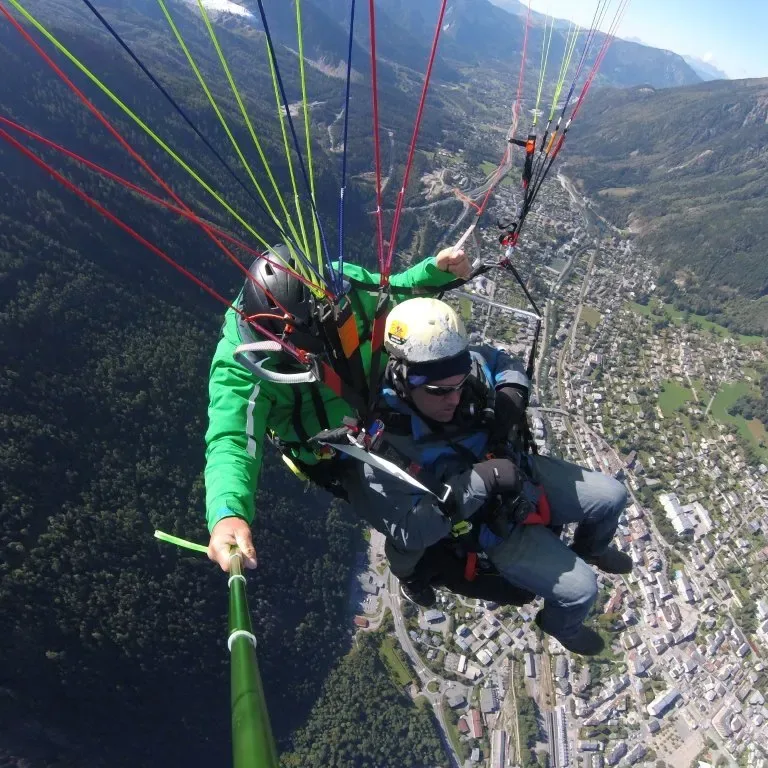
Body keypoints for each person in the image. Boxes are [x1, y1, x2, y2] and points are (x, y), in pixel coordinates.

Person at [342, 297, 631, 656]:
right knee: (583, 590)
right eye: (439, 392)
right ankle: (560, 625)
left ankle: (594, 548)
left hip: (517, 472)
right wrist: (481, 481)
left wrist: (511, 394)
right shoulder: (383, 446)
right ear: (403, 379)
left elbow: (499, 360)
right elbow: (409, 532)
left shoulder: (460, 370)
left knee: (614, 496)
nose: (454, 398)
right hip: (484, 523)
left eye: (460, 384)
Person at [204, 244, 471, 572]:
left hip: (377, 405)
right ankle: (417, 568)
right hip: (333, 452)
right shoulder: (241, 364)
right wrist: (228, 512)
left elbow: (393, 298)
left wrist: (434, 271)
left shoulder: (339, 286)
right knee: (413, 524)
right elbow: (231, 441)